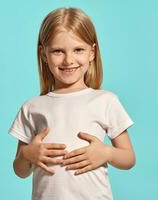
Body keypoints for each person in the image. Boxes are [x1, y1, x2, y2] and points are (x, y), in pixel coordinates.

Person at [8, 7, 136, 200]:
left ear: (92, 52)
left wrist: (106, 153)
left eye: (78, 50)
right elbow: (20, 170)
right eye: (58, 51)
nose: (69, 60)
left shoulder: (105, 101)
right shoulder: (32, 107)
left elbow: (129, 158)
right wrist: (27, 154)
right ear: (43, 54)